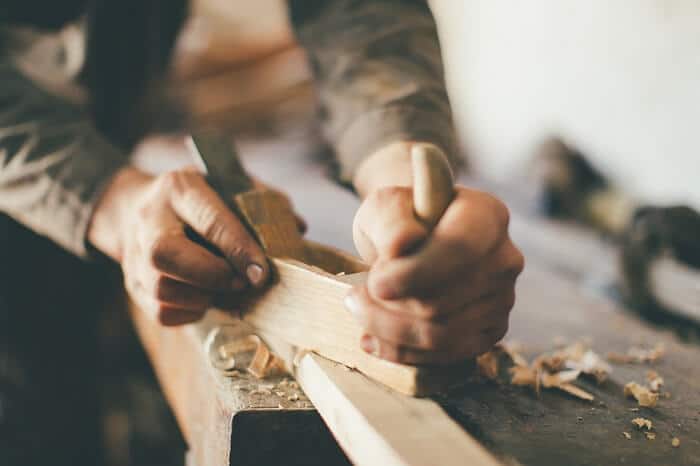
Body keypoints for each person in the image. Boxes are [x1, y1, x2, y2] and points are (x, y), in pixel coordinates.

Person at [0, 0, 524, 464]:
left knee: (68, 396)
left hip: (102, 146)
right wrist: (107, 197)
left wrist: (400, 183)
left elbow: (362, 12)